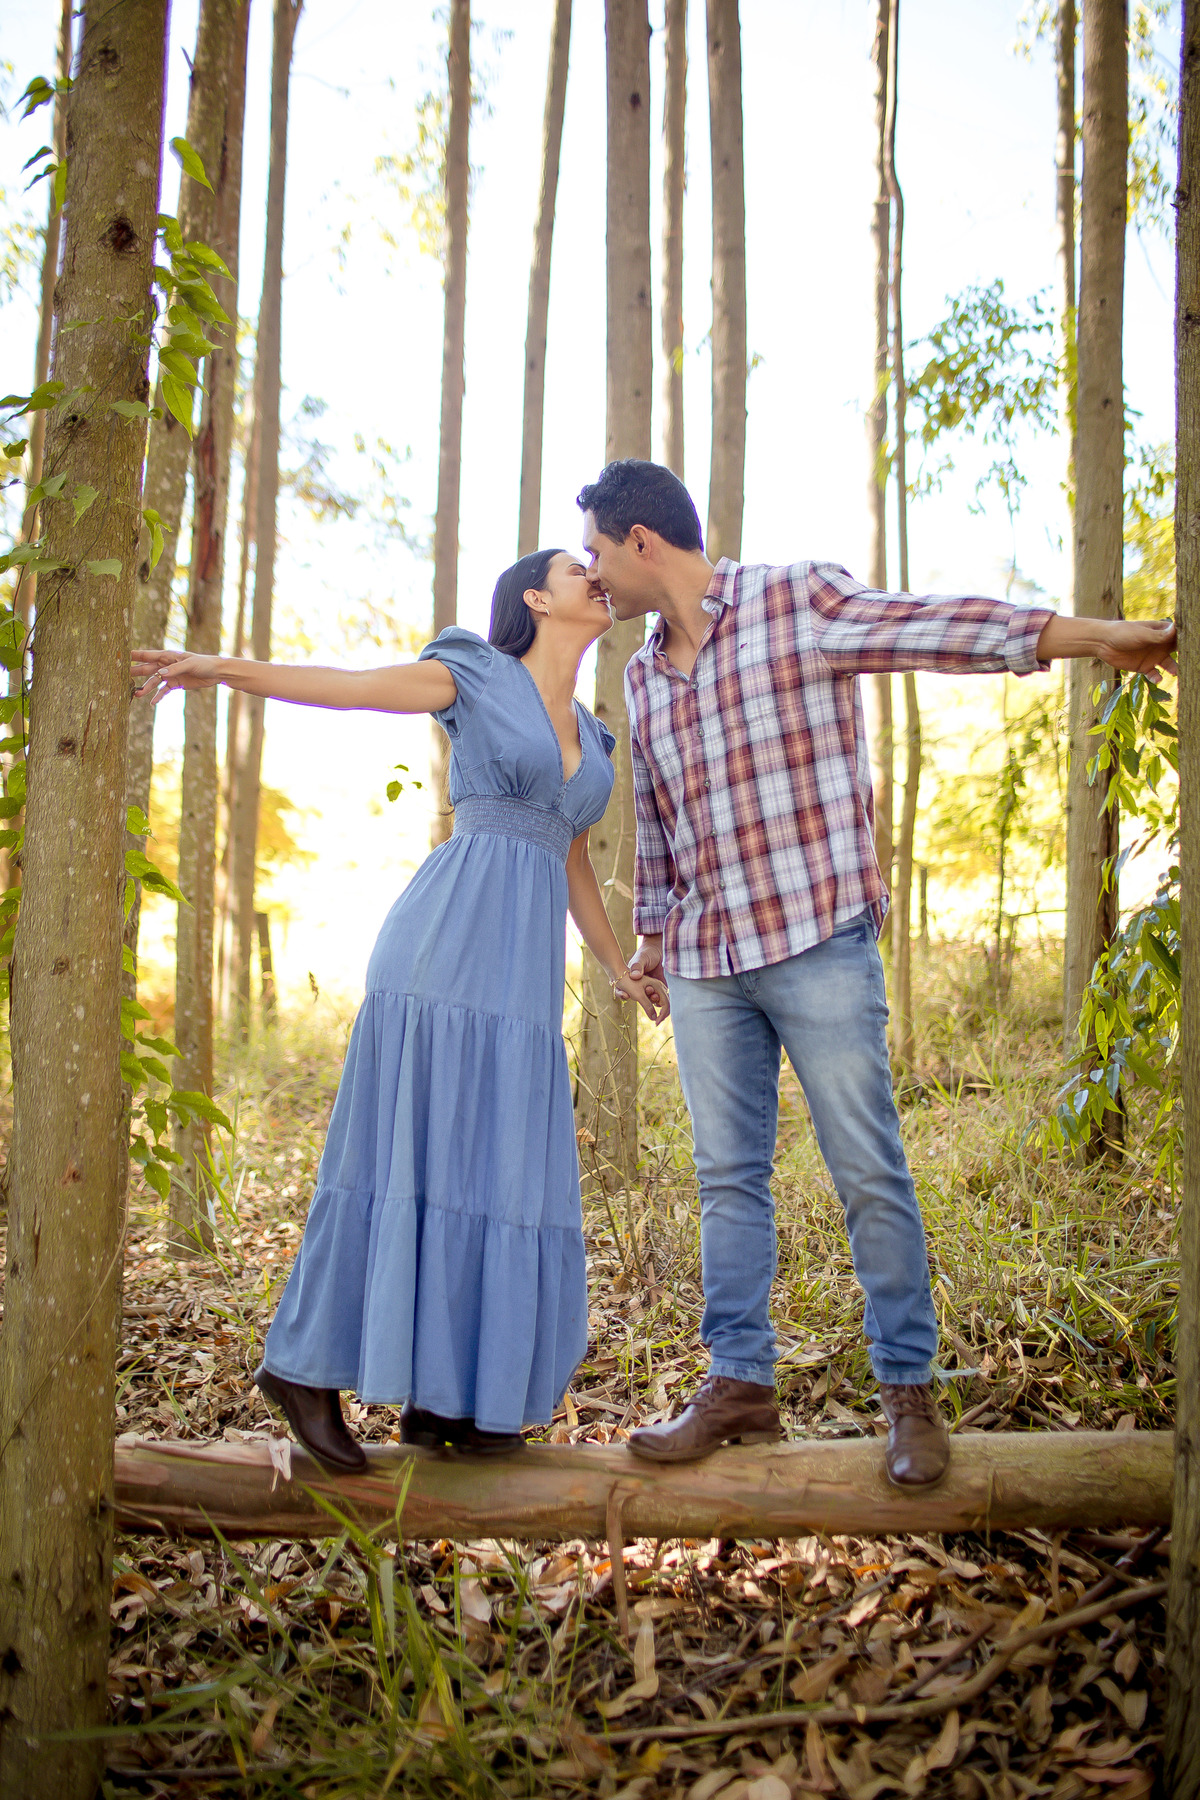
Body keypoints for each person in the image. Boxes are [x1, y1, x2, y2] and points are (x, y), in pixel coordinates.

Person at [576, 457, 1178, 1489]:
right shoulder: (639, 675)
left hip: (817, 939)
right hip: (713, 963)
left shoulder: (792, 599)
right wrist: (651, 939)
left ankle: (907, 1387)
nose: (592, 576)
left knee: (867, 1171)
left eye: (595, 551)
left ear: (642, 541)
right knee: (728, 1182)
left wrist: (1090, 637)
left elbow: (933, 625)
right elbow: (664, 828)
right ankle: (739, 1384)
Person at [132, 549, 667, 1470]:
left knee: (493, 1169)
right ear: (537, 598)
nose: (597, 574)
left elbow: (570, 856)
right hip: (441, 952)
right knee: (399, 1159)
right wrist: (214, 667)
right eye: (579, 566)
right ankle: (302, 1369)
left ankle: (446, 1398)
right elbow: (348, 687)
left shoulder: (593, 730)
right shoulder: (472, 673)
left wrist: (616, 964)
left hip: (522, 983)